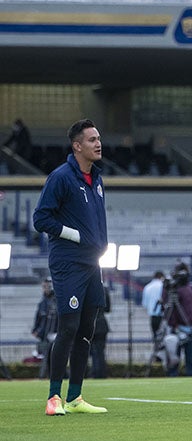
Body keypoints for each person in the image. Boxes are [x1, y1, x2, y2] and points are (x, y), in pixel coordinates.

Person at [32, 118, 108, 415]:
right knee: (69, 328)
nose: (98, 143)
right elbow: (41, 219)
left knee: (87, 330)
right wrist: (75, 235)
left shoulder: (97, 179)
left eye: (98, 138)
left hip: (92, 264)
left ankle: (75, 397)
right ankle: (54, 398)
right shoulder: (61, 177)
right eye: (91, 140)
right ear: (77, 146)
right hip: (68, 264)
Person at [161, 262, 192, 377]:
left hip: (190, 325)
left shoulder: (189, 287)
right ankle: (172, 375)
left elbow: (191, 306)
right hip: (176, 327)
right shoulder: (171, 288)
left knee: (191, 358)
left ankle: (191, 375)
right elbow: (167, 306)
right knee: (173, 358)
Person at [31, 276, 58, 378]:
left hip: (54, 333)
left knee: (55, 356)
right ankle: (46, 375)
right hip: (44, 334)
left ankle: (56, 375)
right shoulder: (42, 303)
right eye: (44, 286)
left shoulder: (56, 301)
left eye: (48, 286)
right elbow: (38, 317)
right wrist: (35, 329)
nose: (46, 288)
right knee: (46, 356)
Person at [89, 285, 110, 378]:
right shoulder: (104, 289)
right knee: (100, 351)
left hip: (90, 323)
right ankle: (101, 373)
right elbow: (108, 308)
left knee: (92, 351)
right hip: (102, 324)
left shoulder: (85, 287)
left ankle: (94, 373)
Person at [141, 270, 165, 340]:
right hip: (164, 315)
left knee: (155, 336)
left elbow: (144, 304)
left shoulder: (147, 287)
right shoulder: (163, 286)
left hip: (153, 315)